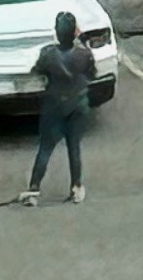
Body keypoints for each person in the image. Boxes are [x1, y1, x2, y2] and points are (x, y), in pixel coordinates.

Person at [25, 12, 96, 206]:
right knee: (74, 148)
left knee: (45, 148)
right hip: (78, 105)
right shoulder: (83, 54)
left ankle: (33, 190)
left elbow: (37, 70)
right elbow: (92, 73)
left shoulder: (48, 53)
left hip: (54, 105)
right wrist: (83, 40)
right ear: (74, 32)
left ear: (57, 32)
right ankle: (76, 187)